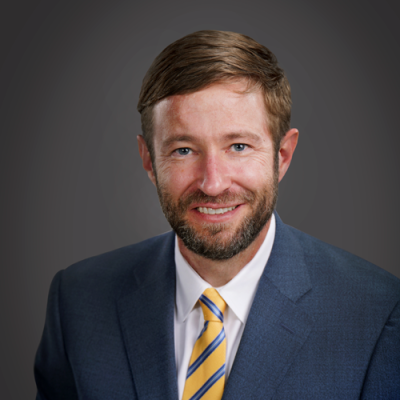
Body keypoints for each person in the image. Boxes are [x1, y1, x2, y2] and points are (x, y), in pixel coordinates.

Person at [34, 30, 400, 400]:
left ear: (282, 156)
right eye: (183, 150)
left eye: (238, 146)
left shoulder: (377, 315)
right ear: (148, 159)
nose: (212, 183)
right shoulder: (77, 301)